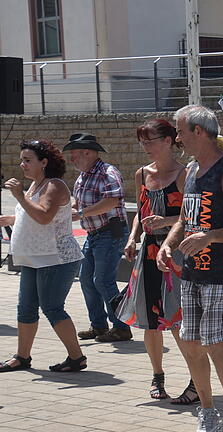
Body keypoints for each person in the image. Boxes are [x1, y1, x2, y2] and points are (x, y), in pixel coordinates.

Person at [157, 105, 223, 432]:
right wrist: (168, 244)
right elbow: (187, 219)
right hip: (191, 273)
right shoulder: (190, 171)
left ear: (199, 132)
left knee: (216, 343)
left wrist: (213, 237)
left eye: (180, 131)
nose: (177, 138)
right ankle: (207, 412)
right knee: (190, 344)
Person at [117, 119, 193, 400]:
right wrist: (132, 236)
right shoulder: (141, 174)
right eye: (142, 141)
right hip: (148, 253)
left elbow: (192, 218)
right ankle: (157, 376)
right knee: (149, 320)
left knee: (176, 320)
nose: (145, 147)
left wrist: (166, 221)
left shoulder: (184, 174)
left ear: (168, 141)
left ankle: (195, 379)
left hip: (175, 253)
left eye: (150, 141)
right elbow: (140, 210)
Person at [0, 140, 85, 373]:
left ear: (44, 162)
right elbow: (33, 216)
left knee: (52, 307)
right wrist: (11, 219)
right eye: (22, 160)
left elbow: (45, 217)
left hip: (55, 258)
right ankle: (22, 357)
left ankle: (77, 357)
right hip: (34, 258)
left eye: (27, 160)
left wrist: (18, 196)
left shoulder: (54, 185)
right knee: (25, 308)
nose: (22, 164)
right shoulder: (35, 186)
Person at [66, 133, 132, 343]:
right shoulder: (84, 175)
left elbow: (113, 200)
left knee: (102, 280)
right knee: (87, 279)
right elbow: (79, 203)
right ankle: (99, 326)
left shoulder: (107, 172)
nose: (72, 159)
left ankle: (121, 327)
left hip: (110, 233)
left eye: (74, 154)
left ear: (87, 152)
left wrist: (82, 213)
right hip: (95, 234)